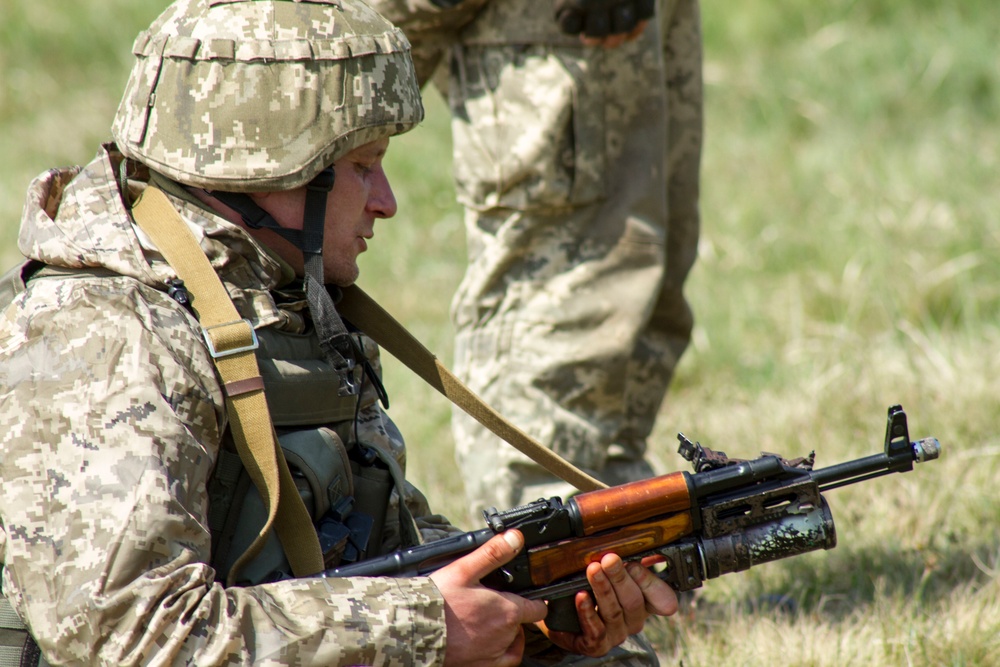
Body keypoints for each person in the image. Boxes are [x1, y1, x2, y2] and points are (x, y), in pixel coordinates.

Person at [0, 1, 677, 665]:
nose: (386, 200)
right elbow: (126, 635)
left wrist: (533, 606)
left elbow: (379, 552)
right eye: (361, 166)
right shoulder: (108, 333)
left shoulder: (279, 298)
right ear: (273, 168)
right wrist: (425, 626)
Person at [366, 0, 704, 521]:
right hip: (539, 27)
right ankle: (540, 551)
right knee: (559, 290)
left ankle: (622, 540)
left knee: (644, 281)